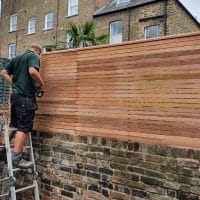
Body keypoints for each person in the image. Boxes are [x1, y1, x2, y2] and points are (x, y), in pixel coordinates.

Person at [0, 44, 44, 168]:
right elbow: (32, 71)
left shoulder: (16, 58)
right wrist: (41, 82)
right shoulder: (33, 56)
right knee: (23, 128)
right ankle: (17, 158)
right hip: (25, 98)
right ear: (38, 52)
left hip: (15, 97)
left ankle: (2, 149)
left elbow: (3, 73)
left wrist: (14, 85)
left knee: (13, 125)